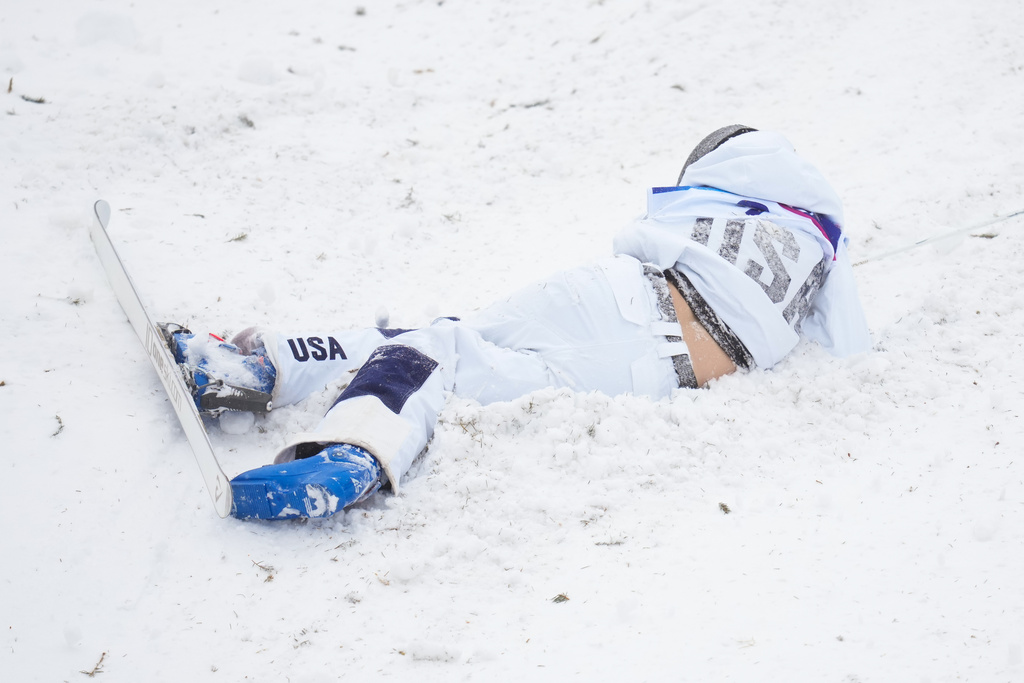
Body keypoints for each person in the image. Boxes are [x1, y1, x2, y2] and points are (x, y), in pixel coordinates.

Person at [171, 125, 871, 521]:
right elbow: (849, 345)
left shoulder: (724, 192)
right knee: (444, 349)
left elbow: (652, 224)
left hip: (616, 297)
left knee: (439, 342)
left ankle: (316, 416)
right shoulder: (818, 249)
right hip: (649, 373)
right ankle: (267, 377)